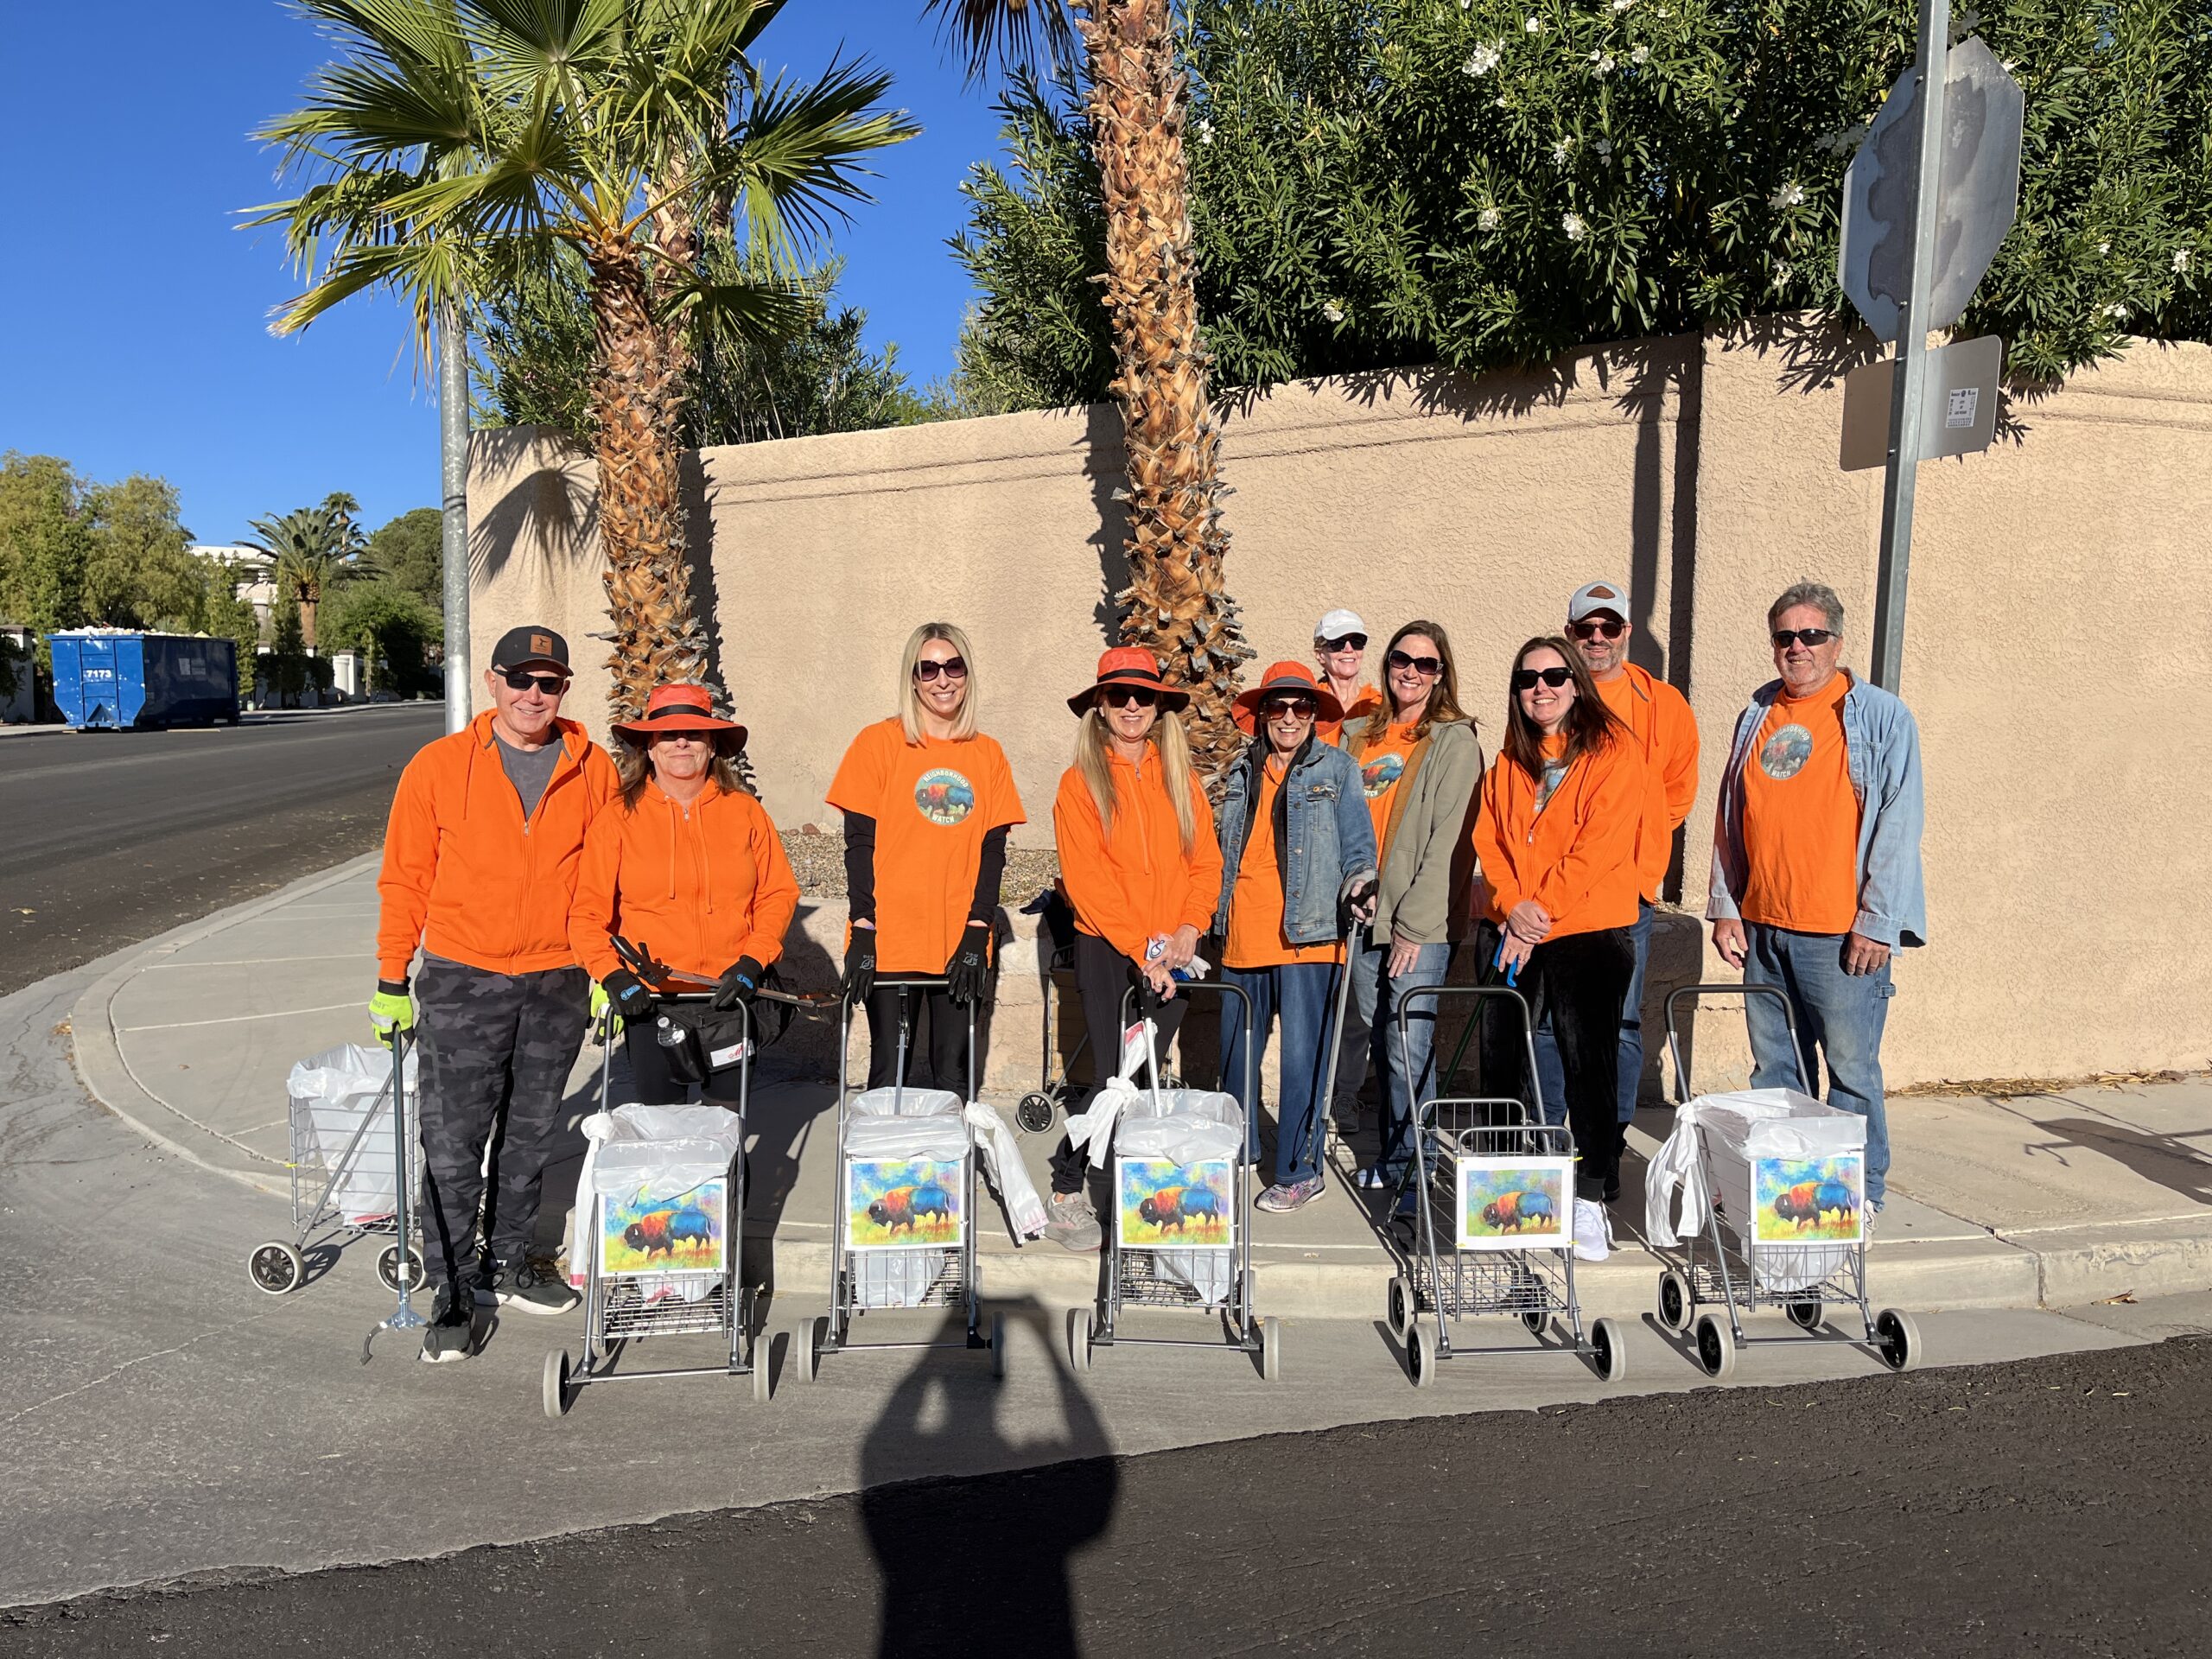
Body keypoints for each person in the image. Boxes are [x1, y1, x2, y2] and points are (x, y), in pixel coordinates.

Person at [371, 625, 619, 1361]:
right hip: (462, 979)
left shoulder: (593, 768)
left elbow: (609, 878)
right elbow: (404, 879)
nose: (533, 696)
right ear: (492, 682)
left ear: (564, 689)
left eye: (550, 683)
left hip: (558, 979)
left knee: (531, 1134)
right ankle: (451, 1289)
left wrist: (605, 970)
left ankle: (508, 1261)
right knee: (452, 1143)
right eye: (520, 680)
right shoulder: (440, 766)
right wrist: (391, 978)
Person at [1707, 582, 1925, 1212]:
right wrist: (1727, 906)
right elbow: (1731, 815)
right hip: (1763, 928)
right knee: (1776, 1073)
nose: (1797, 647)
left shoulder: (1879, 716)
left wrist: (1877, 921)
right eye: (1785, 636)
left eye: (1811, 635)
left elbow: (1898, 821)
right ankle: (1789, 1196)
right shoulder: (1757, 713)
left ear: (1837, 641)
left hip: (1841, 935)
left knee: (1851, 1075)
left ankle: (1861, 1198)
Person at [1472, 636, 1644, 1262]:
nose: (1540, 688)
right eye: (1527, 679)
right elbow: (1489, 842)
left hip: (1585, 927)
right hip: (1512, 924)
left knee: (1586, 1064)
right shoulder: (1509, 762)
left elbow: (1597, 847)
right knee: (1501, 1060)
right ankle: (1506, 1192)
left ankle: (1590, 1195)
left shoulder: (1613, 751)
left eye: (1553, 676)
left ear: (1576, 682)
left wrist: (1535, 914)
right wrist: (1510, 906)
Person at [1530, 580, 1700, 1198]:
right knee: (1548, 1025)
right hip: (1555, 894)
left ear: (1627, 631)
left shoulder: (1662, 705)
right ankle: (1547, 1142)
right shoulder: (1551, 692)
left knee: (1622, 1025)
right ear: (1570, 633)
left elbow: (1676, 794)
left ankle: (1605, 1144)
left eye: (1609, 627)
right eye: (1586, 628)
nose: (1597, 639)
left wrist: (1636, 859)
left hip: (1625, 896)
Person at [1048, 647, 1224, 1249]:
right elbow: (1087, 880)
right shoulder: (1080, 783)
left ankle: (1141, 1197)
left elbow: (1205, 863)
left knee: (1145, 1074)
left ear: (1157, 707)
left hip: (1173, 952)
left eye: (1142, 696)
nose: (1131, 706)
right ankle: (1066, 1189)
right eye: (1118, 695)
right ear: (1100, 705)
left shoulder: (1181, 780)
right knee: (1113, 1077)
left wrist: (1189, 929)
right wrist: (1139, 950)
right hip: (1109, 948)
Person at [569, 682, 799, 1105]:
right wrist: (612, 976)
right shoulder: (617, 818)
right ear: (650, 747)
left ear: (711, 747)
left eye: (694, 734)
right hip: (651, 1003)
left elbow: (777, 893)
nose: (681, 742)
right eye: (668, 734)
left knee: (727, 1124)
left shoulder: (746, 812)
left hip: (729, 998)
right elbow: (586, 914)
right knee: (662, 1128)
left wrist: (753, 961)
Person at [828, 623, 1025, 1096]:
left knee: (952, 1077)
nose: (942, 680)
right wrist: (863, 926)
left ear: (967, 673)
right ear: (912, 678)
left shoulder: (987, 753)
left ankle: (952, 1151)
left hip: (959, 938)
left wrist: (978, 929)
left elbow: (993, 852)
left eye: (953, 667)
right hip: (891, 937)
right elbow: (859, 844)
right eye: (929, 669)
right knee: (888, 1075)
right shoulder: (878, 742)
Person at [1213, 662, 1378, 1213]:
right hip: (1243, 933)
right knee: (1236, 1056)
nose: (1289, 717)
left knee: (1303, 1061)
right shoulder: (1241, 770)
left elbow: (1359, 847)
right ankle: (1240, 1149)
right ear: (1262, 713)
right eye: (1278, 706)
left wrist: (1361, 884)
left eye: (1301, 706)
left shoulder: (1339, 769)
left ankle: (1299, 1170)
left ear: (1313, 714)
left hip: (1311, 935)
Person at [1344, 622, 1484, 1204]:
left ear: (1441, 674)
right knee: (1382, 1039)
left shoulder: (1454, 742)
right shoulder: (1358, 735)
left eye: (1426, 664)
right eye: (1402, 659)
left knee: (1407, 1046)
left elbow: (1451, 843)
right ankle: (1393, 1152)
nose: (1412, 672)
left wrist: (1415, 927)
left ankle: (1413, 1167)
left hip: (1416, 925)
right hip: (1362, 916)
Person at [1312, 608, 1381, 747]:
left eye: (1357, 642)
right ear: (1320, 655)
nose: (1349, 649)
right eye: (1338, 643)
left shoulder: (1379, 705)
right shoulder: (1308, 705)